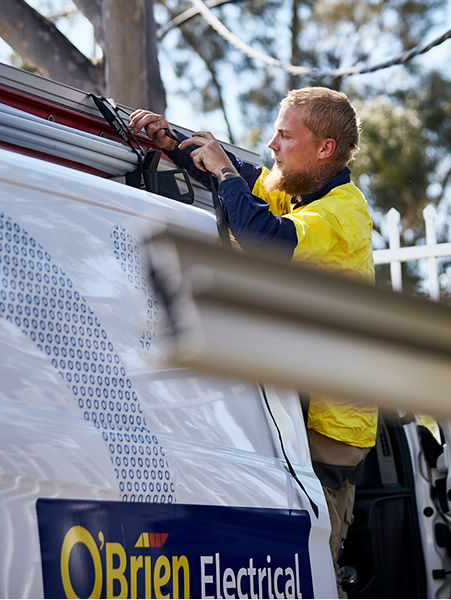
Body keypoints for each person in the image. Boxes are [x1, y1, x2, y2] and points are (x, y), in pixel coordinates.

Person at [130, 87, 378, 598]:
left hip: (328, 428)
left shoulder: (341, 214)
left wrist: (221, 171)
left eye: (285, 135)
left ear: (325, 148)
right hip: (296, 413)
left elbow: (265, 237)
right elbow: (249, 185)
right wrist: (175, 141)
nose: (272, 144)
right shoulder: (305, 191)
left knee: (310, 573)